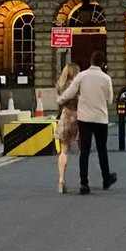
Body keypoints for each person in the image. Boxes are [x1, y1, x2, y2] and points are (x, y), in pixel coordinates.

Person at [56, 50, 116, 195]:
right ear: (102, 63)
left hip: (84, 119)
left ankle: (84, 183)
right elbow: (110, 100)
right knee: (102, 150)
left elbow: (70, 91)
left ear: (91, 61)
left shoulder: (82, 76)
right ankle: (106, 178)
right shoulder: (106, 78)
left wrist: (60, 100)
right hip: (100, 118)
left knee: (85, 152)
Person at [53, 63, 80, 194]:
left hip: (65, 116)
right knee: (83, 150)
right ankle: (83, 179)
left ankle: (61, 180)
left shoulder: (60, 85)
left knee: (63, 151)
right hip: (78, 117)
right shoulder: (77, 85)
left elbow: (59, 102)